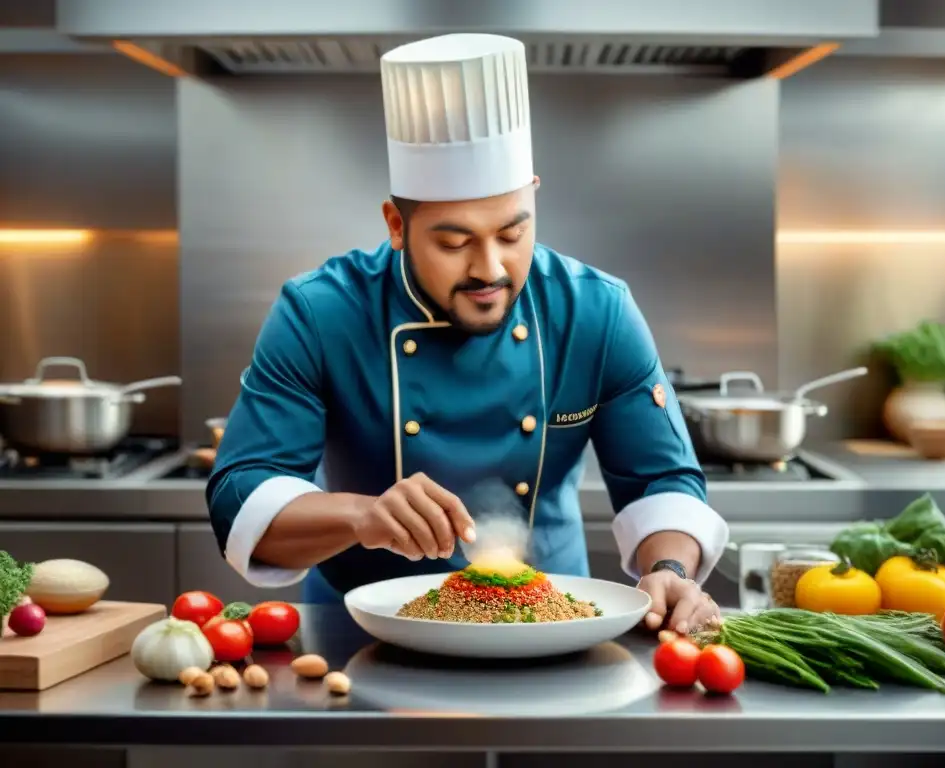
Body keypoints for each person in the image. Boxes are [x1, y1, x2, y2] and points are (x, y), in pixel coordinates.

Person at [206, 33, 729, 635]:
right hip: (357, 633)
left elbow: (661, 480)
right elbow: (240, 496)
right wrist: (362, 515)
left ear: (533, 198)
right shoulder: (322, 313)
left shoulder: (594, 311)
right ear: (397, 225)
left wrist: (669, 568)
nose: (490, 268)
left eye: (512, 234)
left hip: (553, 630)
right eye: (454, 242)